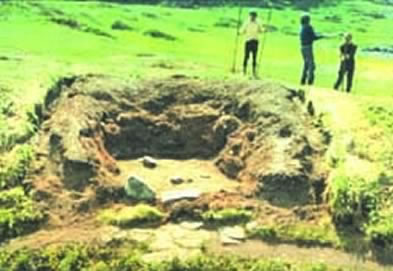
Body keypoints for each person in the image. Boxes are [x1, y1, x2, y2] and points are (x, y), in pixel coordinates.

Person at [300, 14, 324, 86]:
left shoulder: (302, 27)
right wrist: (322, 36)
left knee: (306, 64)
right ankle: (310, 81)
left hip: (302, 47)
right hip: (308, 47)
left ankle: (303, 80)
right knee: (311, 65)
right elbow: (314, 37)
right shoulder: (309, 27)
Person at [240, 11, 264, 78]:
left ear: (256, 17)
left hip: (255, 41)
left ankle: (254, 72)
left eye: (254, 16)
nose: (253, 17)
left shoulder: (258, 23)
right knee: (246, 56)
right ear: (249, 16)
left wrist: (264, 30)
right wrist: (239, 32)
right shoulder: (246, 23)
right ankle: (244, 71)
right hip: (248, 41)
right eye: (252, 16)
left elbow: (261, 30)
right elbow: (242, 30)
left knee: (254, 57)